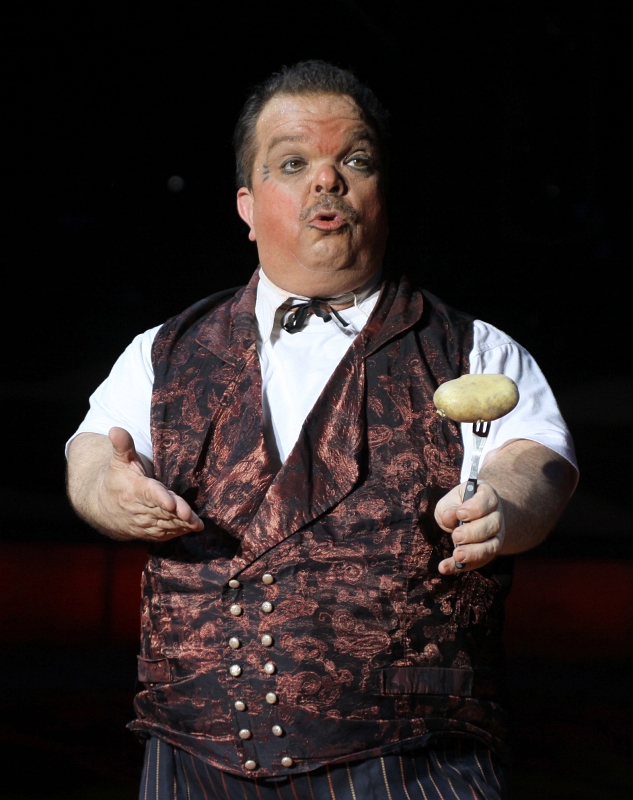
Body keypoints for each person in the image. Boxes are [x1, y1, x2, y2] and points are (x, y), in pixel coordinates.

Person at [66, 61, 577, 800]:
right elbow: (91, 453)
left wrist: (503, 503)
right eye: (293, 163)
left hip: (409, 760)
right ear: (246, 207)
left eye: (355, 161)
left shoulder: (471, 349)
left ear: (382, 195)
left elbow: (538, 459)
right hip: (194, 756)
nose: (327, 180)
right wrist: (107, 489)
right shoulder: (166, 352)